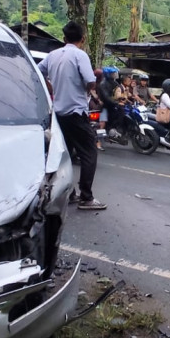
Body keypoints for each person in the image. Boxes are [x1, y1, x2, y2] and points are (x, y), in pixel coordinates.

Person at [36, 22, 106, 211]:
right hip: (76, 112)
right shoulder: (79, 55)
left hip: (59, 114)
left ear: (64, 38)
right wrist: (97, 78)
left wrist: (50, 87)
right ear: (82, 39)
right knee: (89, 151)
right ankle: (86, 197)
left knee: (64, 154)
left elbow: (37, 72)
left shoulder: (53, 55)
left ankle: (69, 192)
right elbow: (90, 82)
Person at [98, 66, 125, 137]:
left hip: (113, 104)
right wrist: (116, 103)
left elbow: (119, 90)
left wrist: (123, 98)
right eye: (113, 73)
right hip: (106, 105)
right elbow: (106, 97)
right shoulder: (103, 84)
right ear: (108, 74)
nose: (115, 75)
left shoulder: (114, 82)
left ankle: (117, 129)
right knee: (103, 122)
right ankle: (102, 137)